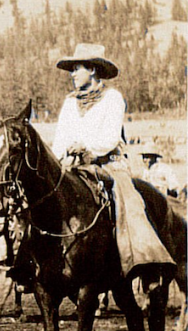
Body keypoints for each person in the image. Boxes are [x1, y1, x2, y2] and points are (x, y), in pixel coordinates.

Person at [50, 43, 175, 281]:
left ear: (93, 70)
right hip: (73, 167)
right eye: (73, 69)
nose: (73, 74)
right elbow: (59, 140)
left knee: (129, 200)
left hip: (108, 164)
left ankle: (143, 258)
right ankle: (30, 264)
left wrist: (86, 148)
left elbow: (109, 138)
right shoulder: (69, 103)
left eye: (77, 68)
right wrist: (61, 158)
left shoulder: (112, 98)